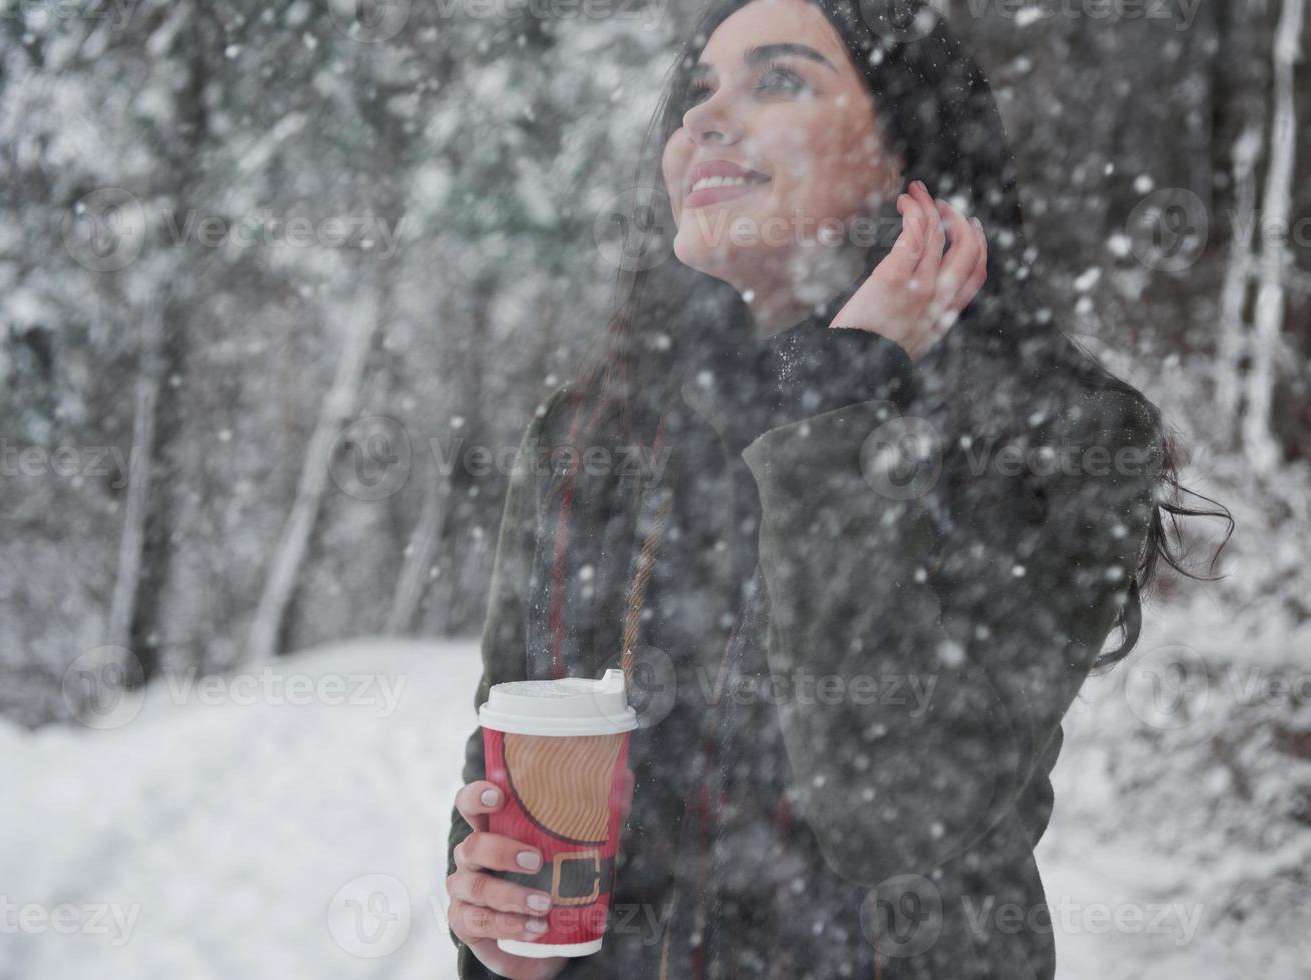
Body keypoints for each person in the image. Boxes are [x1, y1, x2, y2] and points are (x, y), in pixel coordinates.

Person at [446, 0, 1227, 977]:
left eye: (775, 80)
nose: (703, 119)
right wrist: (494, 917)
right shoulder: (592, 430)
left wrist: (843, 381)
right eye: (696, 89)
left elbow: (887, 811)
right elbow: (512, 757)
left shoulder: (1055, 435)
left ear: (909, 157)